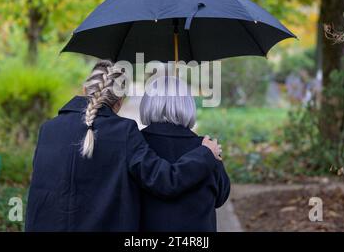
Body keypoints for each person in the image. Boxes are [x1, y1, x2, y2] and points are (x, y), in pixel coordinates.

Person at [25, 60, 222, 231]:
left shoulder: (48, 129)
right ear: (119, 101)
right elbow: (165, 181)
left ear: (85, 90)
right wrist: (205, 153)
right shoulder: (124, 132)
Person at [139, 76, 230, 232]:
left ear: (147, 103)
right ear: (187, 104)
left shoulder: (136, 146)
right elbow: (221, 196)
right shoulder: (207, 149)